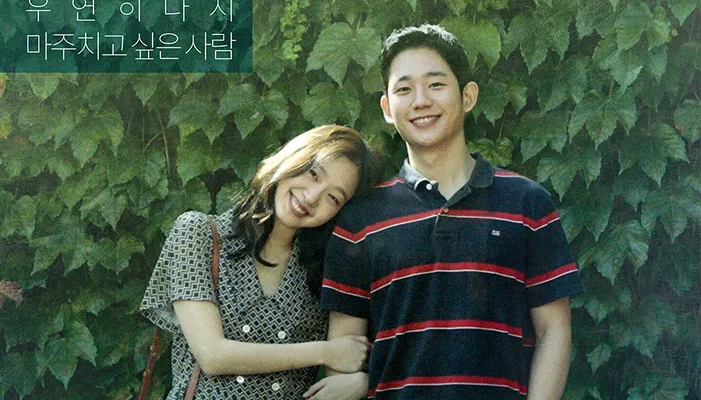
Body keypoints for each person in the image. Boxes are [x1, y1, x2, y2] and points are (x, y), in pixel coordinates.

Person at [313, 25, 584, 399]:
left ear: (467, 96)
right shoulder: (360, 221)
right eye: (404, 89)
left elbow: (554, 331)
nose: (420, 100)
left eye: (436, 84)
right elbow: (343, 352)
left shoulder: (527, 204)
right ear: (387, 109)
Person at [141, 125, 381, 399]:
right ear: (291, 159)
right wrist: (324, 352)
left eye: (333, 197)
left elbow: (343, 371)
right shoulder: (198, 233)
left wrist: (363, 383)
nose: (312, 197)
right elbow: (213, 356)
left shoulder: (329, 268)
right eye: (313, 174)